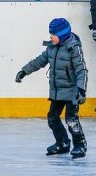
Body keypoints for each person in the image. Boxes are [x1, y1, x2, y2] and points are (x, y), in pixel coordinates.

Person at [15, 18, 88, 159]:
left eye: (53, 34)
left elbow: (82, 70)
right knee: (52, 118)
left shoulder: (74, 48)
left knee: (71, 120)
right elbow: (39, 61)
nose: (50, 36)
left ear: (62, 35)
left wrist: (81, 89)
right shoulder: (51, 48)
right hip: (57, 92)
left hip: (72, 92)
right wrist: (24, 71)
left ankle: (80, 145)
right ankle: (62, 143)